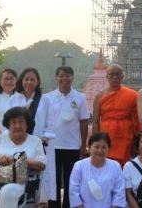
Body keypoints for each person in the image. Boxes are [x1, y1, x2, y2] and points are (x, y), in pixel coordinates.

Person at [0, 107, 46, 208]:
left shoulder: (35, 141)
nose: (17, 125)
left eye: (21, 122)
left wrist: (19, 160)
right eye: (13, 122)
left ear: (27, 124)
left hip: (18, 180)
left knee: (8, 192)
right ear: (8, 125)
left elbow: (42, 165)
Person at [10, 68, 56, 205]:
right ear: (21, 81)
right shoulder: (14, 99)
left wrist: (43, 138)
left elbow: (51, 123)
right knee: (18, 179)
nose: (29, 82)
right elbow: (8, 123)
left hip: (39, 144)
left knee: (40, 182)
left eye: (32, 79)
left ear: (37, 82)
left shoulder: (45, 100)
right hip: (18, 145)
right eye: (26, 79)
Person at [45, 66, 90, 208]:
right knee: (54, 180)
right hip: (52, 146)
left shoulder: (80, 98)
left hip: (72, 146)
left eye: (68, 76)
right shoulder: (48, 97)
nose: (65, 79)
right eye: (62, 76)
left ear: (72, 78)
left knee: (71, 180)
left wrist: (83, 145)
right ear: (56, 78)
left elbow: (84, 122)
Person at [92, 63, 139, 165]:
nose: (115, 77)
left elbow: (136, 120)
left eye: (118, 74)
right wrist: (95, 141)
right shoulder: (99, 97)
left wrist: (136, 141)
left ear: (122, 76)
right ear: (107, 76)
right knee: (106, 164)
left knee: (125, 165)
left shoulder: (133, 95)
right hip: (106, 137)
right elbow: (95, 121)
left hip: (126, 136)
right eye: (112, 74)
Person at [69, 132, 126, 208]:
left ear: (108, 149)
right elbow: (74, 193)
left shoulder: (115, 166)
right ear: (89, 147)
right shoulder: (79, 166)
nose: (100, 150)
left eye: (104, 147)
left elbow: (119, 193)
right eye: (96, 146)